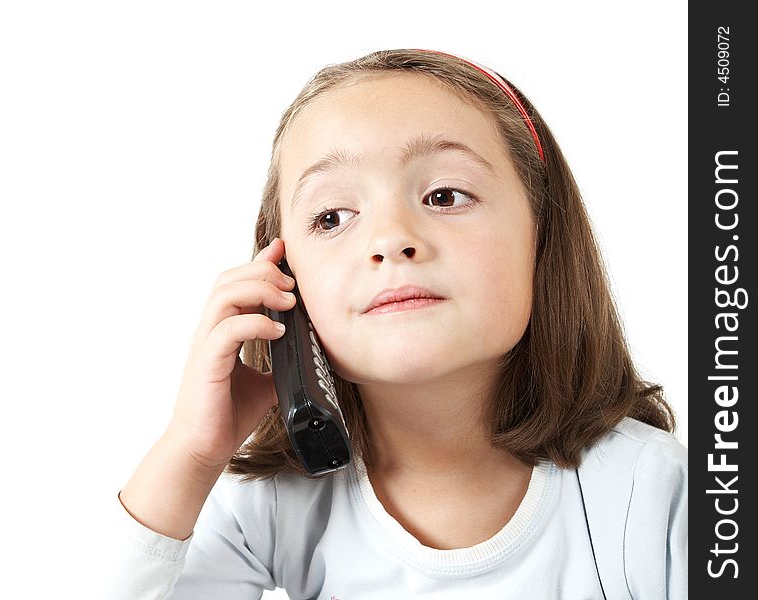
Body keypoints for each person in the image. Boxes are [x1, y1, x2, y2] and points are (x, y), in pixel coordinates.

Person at [104, 49, 687, 599]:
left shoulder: (654, 490)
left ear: (543, 234)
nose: (390, 240)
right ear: (283, 280)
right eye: (332, 216)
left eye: (445, 195)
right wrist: (189, 455)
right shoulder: (273, 505)